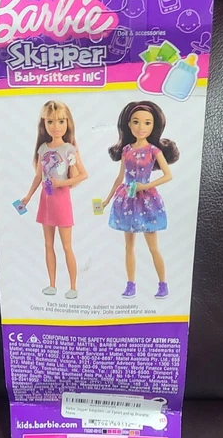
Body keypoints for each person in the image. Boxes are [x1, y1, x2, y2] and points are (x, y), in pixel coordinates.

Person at [103, 101, 179, 299]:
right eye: (136, 122)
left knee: (153, 247)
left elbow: (168, 175)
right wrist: (106, 199)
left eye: (147, 123)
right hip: (127, 199)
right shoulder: (126, 150)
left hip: (146, 201)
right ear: (129, 124)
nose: (141, 127)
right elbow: (120, 177)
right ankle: (131, 285)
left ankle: (163, 284)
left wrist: (145, 186)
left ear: (154, 126)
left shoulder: (154, 151)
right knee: (129, 246)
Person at [22, 101, 87, 299]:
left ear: (68, 122)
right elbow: (38, 176)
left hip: (61, 200)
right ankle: (52, 284)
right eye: (50, 122)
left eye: (61, 121)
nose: (56, 126)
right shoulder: (43, 149)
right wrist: (28, 196)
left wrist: (62, 183)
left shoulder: (69, 149)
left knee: (67, 246)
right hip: (46, 200)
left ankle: (73, 287)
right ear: (44, 124)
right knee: (48, 244)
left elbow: (83, 175)